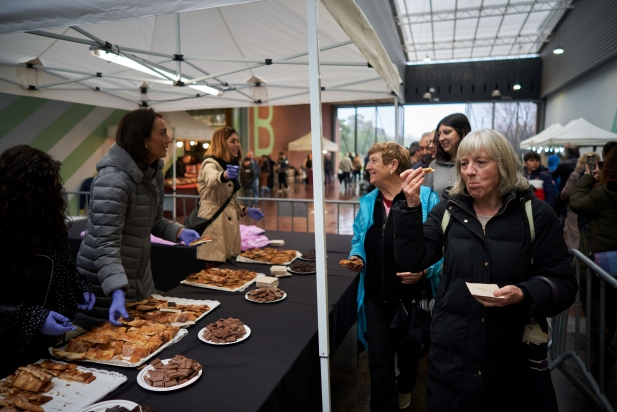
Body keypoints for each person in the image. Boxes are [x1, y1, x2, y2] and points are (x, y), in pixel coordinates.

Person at [394, 129, 577, 411]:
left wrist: (523, 293)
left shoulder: (535, 214)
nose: (470, 171)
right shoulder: (447, 211)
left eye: (480, 162)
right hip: (451, 355)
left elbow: (563, 284)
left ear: (502, 165)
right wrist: (410, 206)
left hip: (509, 358)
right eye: (464, 163)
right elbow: (411, 261)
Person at [77, 109, 202, 325]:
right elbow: (105, 244)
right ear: (142, 139)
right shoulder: (113, 180)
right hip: (105, 285)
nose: (169, 139)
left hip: (139, 278)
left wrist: (179, 231)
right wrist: (116, 290)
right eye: (162, 133)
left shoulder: (152, 172)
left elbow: (154, 221)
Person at [344, 142, 442, 411]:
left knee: (409, 358)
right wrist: (358, 257)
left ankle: (406, 385)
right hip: (375, 296)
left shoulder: (428, 200)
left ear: (393, 165)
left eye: (372, 161)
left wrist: (424, 271)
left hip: (411, 300)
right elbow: (358, 240)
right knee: (379, 360)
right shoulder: (367, 202)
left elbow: (443, 251)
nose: (367, 167)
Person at [0, 145, 96, 377]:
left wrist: (78, 286)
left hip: (46, 346)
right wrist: (32, 317)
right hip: (8, 351)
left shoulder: (48, 222)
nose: (58, 191)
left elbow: (60, 267)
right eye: (49, 187)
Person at [569, 147, 617, 376]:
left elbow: (576, 202)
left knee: (596, 305)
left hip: (599, 262)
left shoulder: (605, 192)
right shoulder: (603, 191)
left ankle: (601, 350)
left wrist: (588, 178)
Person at [196, 127, 264, 268]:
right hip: (213, 225)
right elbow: (211, 179)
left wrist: (245, 210)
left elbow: (227, 203)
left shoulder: (230, 164)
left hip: (226, 226)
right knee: (214, 270)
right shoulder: (210, 163)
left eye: (238, 141)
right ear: (221, 142)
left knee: (227, 270)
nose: (237, 145)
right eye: (232, 141)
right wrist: (224, 175)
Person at [423, 113, 471, 200]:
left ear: (463, 132)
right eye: (439, 134)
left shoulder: (475, 164)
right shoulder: (434, 165)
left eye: (447, 132)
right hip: (438, 213)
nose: (441, 138)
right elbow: (425, 199)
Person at [559, 152, 601, 251]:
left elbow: (565, 194)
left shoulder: (576, 174)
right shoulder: (602, 175)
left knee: (575, 239)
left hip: (575, 213)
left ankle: (576, 263)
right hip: (594, 210)